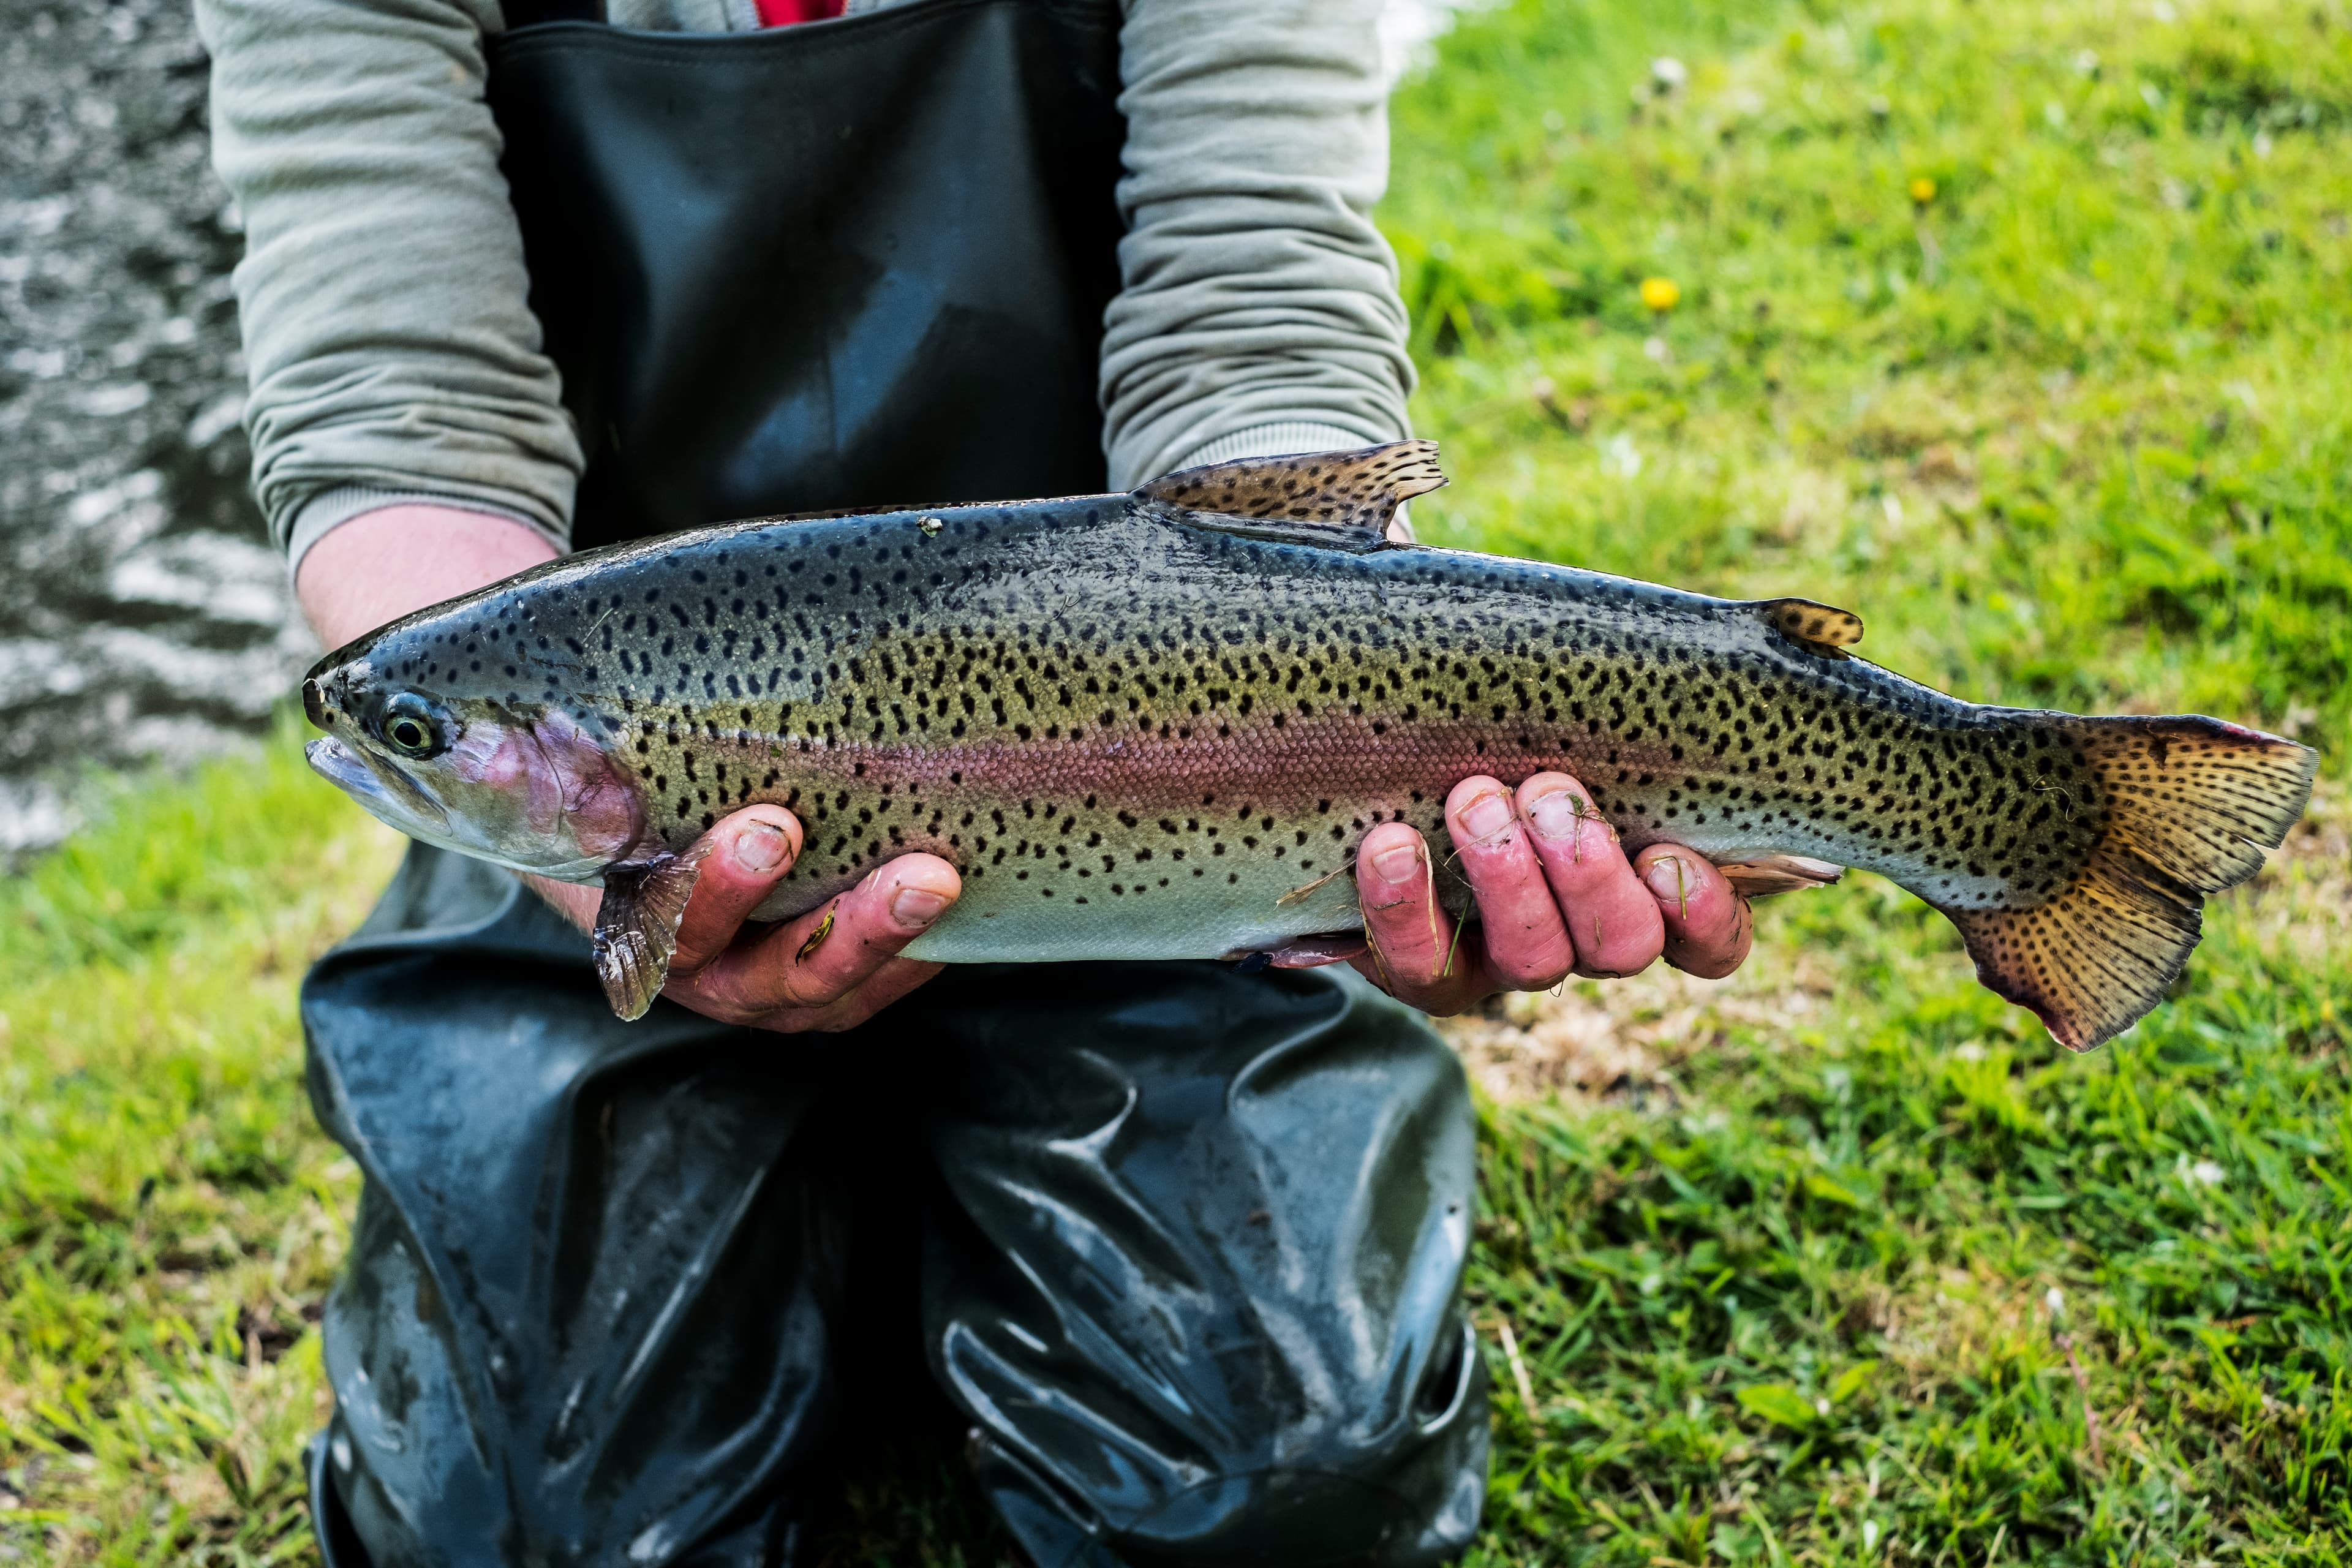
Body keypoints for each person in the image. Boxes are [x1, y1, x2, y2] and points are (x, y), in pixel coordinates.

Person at [197, 0, 1755, 1557]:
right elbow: (401, 417)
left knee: (1274, 1502)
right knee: (513, 1533)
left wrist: (1374, 747)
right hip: (618, 814)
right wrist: (575, 867)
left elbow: (1252, 318)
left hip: (1161, 784)